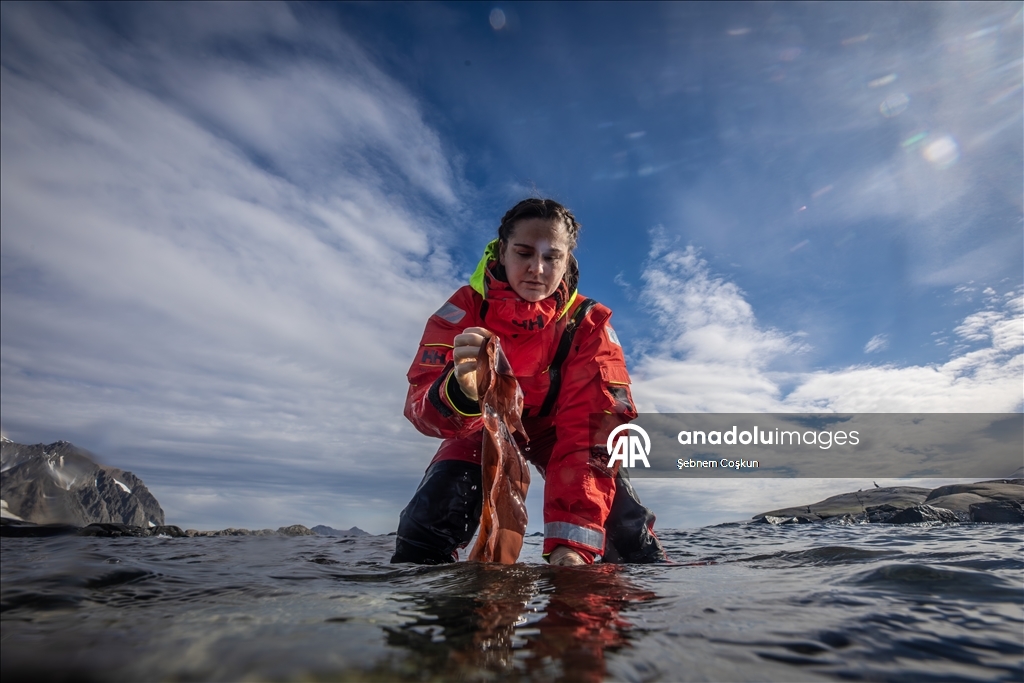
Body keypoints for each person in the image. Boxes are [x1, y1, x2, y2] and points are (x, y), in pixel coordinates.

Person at [392, 198, 666, 566]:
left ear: (567, 261)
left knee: (628, 535)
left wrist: (573, 548)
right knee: (427, 524)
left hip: (560, 432)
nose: (536, 269)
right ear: (502, 251)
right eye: (523, 253)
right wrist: (460, 392)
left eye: (552, 257)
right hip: (486, 426)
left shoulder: (589, 324)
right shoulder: (463, 309)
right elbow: (421, 408)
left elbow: (592, 429)